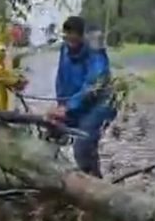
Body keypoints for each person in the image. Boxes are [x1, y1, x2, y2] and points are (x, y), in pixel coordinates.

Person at [47, 17, 117, 176]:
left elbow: (94, 85)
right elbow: (61, 79)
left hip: (98, 106)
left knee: (83, 146)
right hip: (74, 105)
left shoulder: (95, 53)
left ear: (82, 36)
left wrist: (69, 107)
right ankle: (52, 178)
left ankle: (93, 184)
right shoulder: (64, 50)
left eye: (74, 36)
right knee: (51, 130)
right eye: (67, 35)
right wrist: (61, 105)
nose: (70, 40)